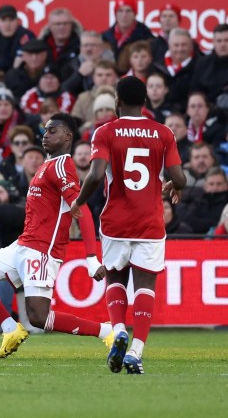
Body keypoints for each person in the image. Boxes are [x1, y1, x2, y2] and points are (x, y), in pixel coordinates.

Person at [0, 113, 111, 359]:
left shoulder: (62, 165)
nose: (46, 135)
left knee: (39, 318)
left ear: (68, 136)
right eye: (45, 130)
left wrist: (92, 257)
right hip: (22, 244)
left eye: (53, 131)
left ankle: (107, 332)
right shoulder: (47, 165)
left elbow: (81, 208)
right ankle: (10, 329)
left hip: (42, 250)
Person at [71, 76, 186, 375]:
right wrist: (174, 184)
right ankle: (136, 351)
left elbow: (95, 175)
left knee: (116, 278)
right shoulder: (163, 133)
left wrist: (80, 201)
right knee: (145, 285)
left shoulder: (105, 132)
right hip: (150, 221)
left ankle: (119, 329)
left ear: (117, 103)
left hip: (115, 222)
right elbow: (181, 179)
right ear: (145, 102)